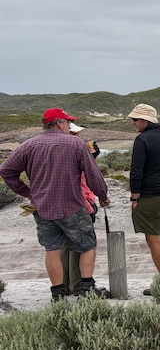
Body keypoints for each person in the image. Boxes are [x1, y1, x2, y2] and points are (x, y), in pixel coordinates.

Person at [0, 108, 111, 301]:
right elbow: (93, 175)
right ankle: (86, 289)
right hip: (72, 206)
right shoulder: (75, 144)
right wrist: (102, 195)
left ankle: (58, 294)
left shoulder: (29, 145)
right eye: (68, 122)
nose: (69, 126)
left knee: (52, 248)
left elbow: (6, 170)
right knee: (87, 245)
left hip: (43, 207)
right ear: (59, 123)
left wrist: (27, 193)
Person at [128, 104, 160, 295]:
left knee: (154, 240)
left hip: (151, 194)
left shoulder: (142, 139)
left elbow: (136, 169)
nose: (133, 123)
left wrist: (134, 195)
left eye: (135, 120)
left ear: (145, 120)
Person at [61, 122, 109, 297]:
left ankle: (65, 285)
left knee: (64, 245)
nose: (78, 137)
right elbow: (85, 179)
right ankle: (78, 285)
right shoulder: (74, 149)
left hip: (62, 205)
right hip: (80, 203)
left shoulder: (62, 150)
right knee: (81, 245)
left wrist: (92, 157)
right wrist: (92, 202)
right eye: (74, 134)